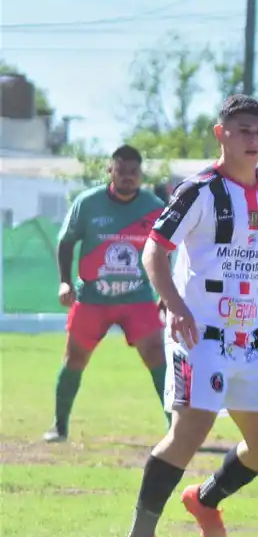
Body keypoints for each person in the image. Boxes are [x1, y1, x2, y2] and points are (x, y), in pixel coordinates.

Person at [123, 95, 258, 537]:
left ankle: (205, 499)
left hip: (248, 341)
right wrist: (174, 306)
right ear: (221, 134)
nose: (252, 140)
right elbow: (154, 251)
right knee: (188, 434)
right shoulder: (198, 190)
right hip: (199, 338)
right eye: (242, 131)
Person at [45, 145, 167, 443]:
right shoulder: (88, 203)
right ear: (110, 171)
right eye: (121, 170)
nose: (127, 177)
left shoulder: (155, 207)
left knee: (156, 354)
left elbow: (169, 248)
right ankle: (59, 427)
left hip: (137, 297)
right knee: (75, 358)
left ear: (141, 175)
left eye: (133, 172)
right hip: (92, 297)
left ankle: (177, 428)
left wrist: (167, 290)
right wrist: (64, 282)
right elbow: (66, 241)